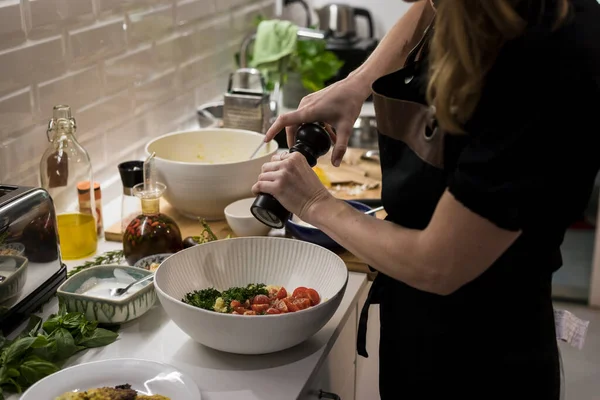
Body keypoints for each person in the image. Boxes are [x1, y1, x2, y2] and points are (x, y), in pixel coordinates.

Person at [253, 0, 600, 398]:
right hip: (415, 324)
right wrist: (359, 82)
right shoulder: (479, 7)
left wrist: (316, 203)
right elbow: (429, 6)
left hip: (482, 360)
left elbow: (439, 264)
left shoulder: (545, 60)